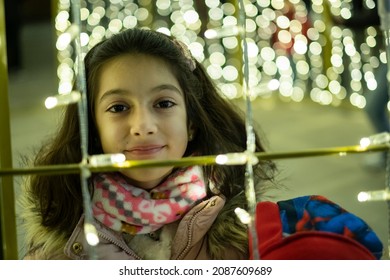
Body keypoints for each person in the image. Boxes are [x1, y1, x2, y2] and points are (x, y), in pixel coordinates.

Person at [19, 27, 383, 260]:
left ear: (191, 123)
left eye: (163, 104)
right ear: (92, 128)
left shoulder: (244, 231)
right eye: (118, 107)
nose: (143, 126)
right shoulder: (59, 245)